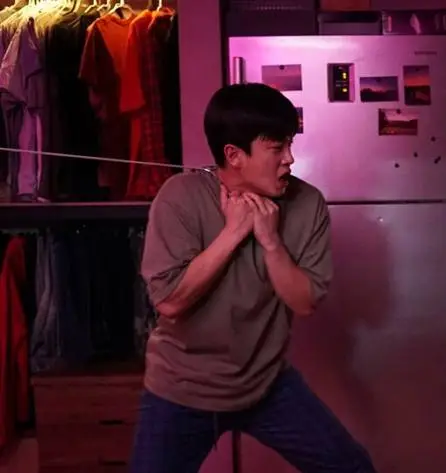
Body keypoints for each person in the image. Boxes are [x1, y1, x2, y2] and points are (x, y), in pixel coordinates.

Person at [130, 83, 376, 473]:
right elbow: (170, 302)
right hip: (181, 388)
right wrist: (233, 233)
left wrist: (270, 241)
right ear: (234, 155)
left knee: (352, 468)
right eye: (277, 148)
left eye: (290, 144)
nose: (290, 159)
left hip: (266, 383)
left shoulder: (307, 203)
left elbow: (304, 302)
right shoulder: (180, 197)